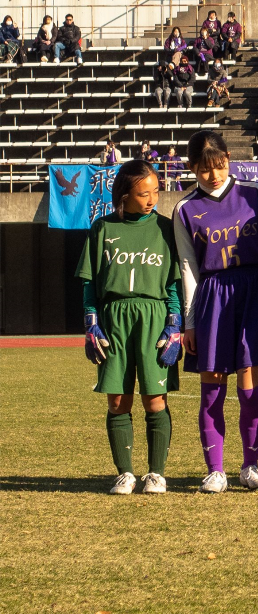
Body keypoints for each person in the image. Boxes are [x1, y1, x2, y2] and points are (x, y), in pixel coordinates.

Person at [172, 131, 258, 494]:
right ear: (191, 168)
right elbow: (188, 268)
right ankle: (215, 470)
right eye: (205, 169)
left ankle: (250, 466)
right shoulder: (185, 209)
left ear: (228, 160)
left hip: (254, 292)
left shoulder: (254, 193)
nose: (214, 175)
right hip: (213, 298)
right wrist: (189, 322)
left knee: (251, 387)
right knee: (212, 389)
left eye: (219, 165)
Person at [78, 160, 182, 495]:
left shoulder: (165, 229)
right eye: (143, 193)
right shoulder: (103, 228)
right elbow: (90, 283)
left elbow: (173, 285)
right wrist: (91, 322)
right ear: (124, 195)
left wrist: (174, 323)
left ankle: (156, 474)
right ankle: (125, 473)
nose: (151, 198)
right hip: (114, 317)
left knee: (155, 398)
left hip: (153, 317)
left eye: (155, 191)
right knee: (118, 400)